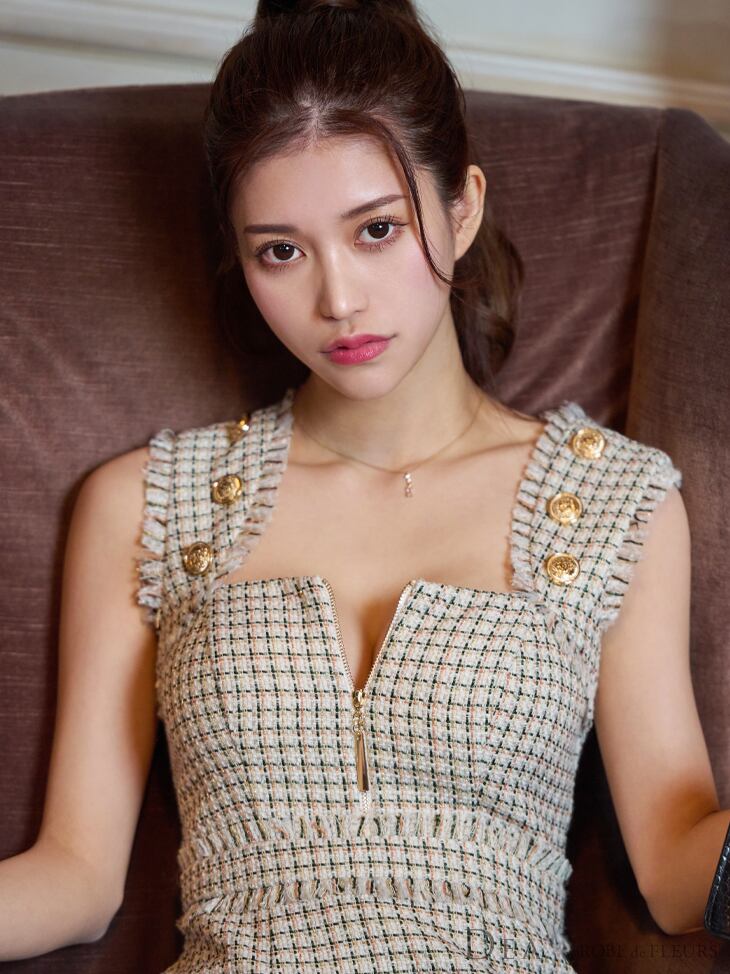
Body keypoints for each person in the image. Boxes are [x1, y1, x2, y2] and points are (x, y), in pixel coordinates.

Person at [1, 0, 727, 970]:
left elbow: (677, 868)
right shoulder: (145, 503)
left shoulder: (615, 502)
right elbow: (76, 877)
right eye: (280, 250)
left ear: (462, 207)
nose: (337, 299)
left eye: (376, 230)